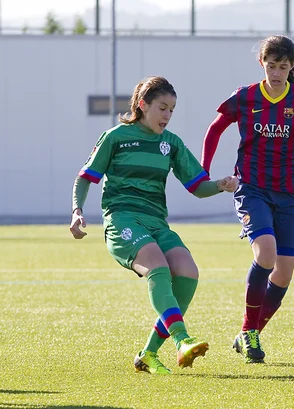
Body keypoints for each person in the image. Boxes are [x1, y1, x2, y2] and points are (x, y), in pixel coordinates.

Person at [69, 76, 239, 374]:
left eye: (172, 109)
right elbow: (86, 177)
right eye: (162, 107)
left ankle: (147, 354)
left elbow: (198, 186)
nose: (167, 115)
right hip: (122, 218)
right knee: (158, 267)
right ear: (142, 105)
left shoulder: (170, 143)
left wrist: (221, 185)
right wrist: (77, 211)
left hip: (155, 221)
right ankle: (182, 340)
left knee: (187, 271)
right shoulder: (116, 137)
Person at [201, 35, 294, 363]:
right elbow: (215, 129)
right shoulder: (245, 97)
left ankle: (248, 333)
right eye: (271, 65)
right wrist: (204, 170)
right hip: (253, 188)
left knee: (284, 273)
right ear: (262, 64)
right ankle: (250, 331)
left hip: (289, 192)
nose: (276, 72)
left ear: (292, 67)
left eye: (283, 66)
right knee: (266, 255)